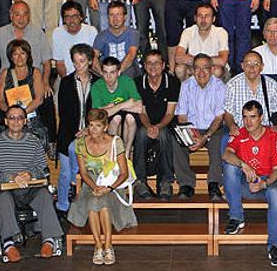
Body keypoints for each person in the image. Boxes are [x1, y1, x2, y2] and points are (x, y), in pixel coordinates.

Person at [0, 106, 63, 262]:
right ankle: (8, 243)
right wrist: (11, 177)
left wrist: (30, 175)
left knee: (45, 196)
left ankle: (48, 240)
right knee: (4, 199)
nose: (16, 121)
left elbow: (42, 167)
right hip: (6, 188)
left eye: (20, 117)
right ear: (6, 121)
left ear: (25, 121)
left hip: (30, 188)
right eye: (12, 118)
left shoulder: (34, 142)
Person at [68, 108, 138, 265]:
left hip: (112, 182)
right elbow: (84, 174)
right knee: (93, 202)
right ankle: (98, 246)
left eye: (98, 126)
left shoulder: (115, 142)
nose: (93, 130)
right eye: (91, 125)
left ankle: (107, 246)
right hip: (91, 183)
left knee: (101, 204)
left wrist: (109, 188)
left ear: (105, 127)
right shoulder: (81, 143)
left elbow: (123, 173)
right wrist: (94, 187)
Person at [222, 100, 277, 267]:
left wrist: (264, 184)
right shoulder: (240, 133)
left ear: (261, 118)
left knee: (275, 193)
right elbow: (226, 154)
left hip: (267, 182)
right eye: (244, 117)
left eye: (252, 117)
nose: (248, 122)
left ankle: (275, 246)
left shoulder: (274, 136)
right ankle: (236, 217)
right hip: (246, 184)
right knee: (229, 166)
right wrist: (243, 165)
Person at [0, 1, 53, 138]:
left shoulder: (38, 33)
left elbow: (46, 62)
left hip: (34, 80)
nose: (21, 18)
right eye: (17, 14)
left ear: (30, 16)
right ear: (11, 15)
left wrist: (45, 83)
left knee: (48, 99)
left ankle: (51, 141)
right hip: (7, 81)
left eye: (25, 14)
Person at [175, 54, 228, 200]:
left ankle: (214, 184)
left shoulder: (219, 86)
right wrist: (189, 134)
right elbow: (182, 115)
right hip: (192, 127)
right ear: (191, 70)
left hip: (213, 128)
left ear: (212, 69)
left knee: (219, 139)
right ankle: (186, 184)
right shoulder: (186, 85)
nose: (201, 72)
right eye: (197, 68)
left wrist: (205, 137)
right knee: (175, 140)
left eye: (205, 68)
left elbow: (219, 117)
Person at [55, 44, 98, 214]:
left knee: (85, 170)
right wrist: (76, 133)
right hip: (69, 133)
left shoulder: (98, 82)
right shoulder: (66, 82)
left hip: (92, 134)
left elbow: (99, 111)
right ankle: (63, 205)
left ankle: (81, 203)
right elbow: (63, 113)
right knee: (66, 172)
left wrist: (88, 129)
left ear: (89, 62)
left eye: (82, 61)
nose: (78, 65)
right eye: (75, 62)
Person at [134, 50, 180, 200]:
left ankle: (165, 182)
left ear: (163, 65)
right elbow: (142, 112)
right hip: (146, 123)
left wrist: (158, 127)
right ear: (144, 66)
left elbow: (170, 113)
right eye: (149, 63)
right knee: (140, 134)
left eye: (157, 63)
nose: (153, 66)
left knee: (164, 135)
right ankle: (140, 181)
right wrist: (149, 127)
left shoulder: (172, 82)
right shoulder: (138, 82)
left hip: (165, 124)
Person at [90, 56, 143, 160]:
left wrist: (111, 107)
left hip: (127, 120)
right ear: (102, 72)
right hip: (111, 122)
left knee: (130, 118)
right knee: (116, 118)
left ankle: (126, 154)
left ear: (118, 72)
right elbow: (96, 115)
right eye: (105, 72)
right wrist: (124, 104)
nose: (108, 77)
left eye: (112, 72)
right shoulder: (97, 86)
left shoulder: (127, 81)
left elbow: (139, 108)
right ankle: (115, 153)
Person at [0, 39, 48, 145]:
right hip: (10, 119)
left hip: (31, 120)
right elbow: (0, 100)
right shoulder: (5, 73)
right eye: (15, 54)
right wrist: (12, 115)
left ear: (28, 55)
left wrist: (22, 114)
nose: (19, 57)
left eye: (22, 53)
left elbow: (39, 99)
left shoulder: (35, 72)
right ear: (10, 57)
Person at [224, 51, 277, 133]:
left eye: (256, 64)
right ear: (242, 66)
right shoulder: (232, 85)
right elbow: (227, 113)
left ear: (262, 67)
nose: (252, 68)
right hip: (240, 130)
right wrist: (232, 127)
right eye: (248, 64)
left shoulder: (271, 85)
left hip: (264, 131)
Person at [174, 3, 230, 80]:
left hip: (213, 69)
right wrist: (201, 65)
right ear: (195, 18)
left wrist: (194, 61)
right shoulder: (188, 32)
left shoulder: (221, 32)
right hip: (194, 68)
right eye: (200, 16)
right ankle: (187, 91)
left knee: (217, 71)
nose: (203, 20)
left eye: (207, 16)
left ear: (213, 19)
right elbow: (178, 57)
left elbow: (222, 61)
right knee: (179, 69)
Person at [92, 1, 141, 78]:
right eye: (112, 15)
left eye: (118, 14)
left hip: (127, 71)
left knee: (130, 70)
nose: (115, 18)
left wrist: (116, 73)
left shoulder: (133, 33)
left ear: (125, 17)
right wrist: (102, 73)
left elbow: (131, 55)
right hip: (107, 71)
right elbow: (94, 56)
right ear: (108, 17)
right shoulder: (101, 35)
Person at [51, 0, 98, 78]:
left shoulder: (91, 31)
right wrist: (68, 81)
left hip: (88, 76)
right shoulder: (57, 33)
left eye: (75, 16)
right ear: (63, 20)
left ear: (81, 17)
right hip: (66, 76)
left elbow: (94, 61)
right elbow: (59, 63)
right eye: (67, 17)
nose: (71, 21)